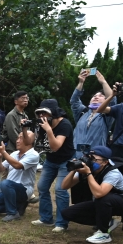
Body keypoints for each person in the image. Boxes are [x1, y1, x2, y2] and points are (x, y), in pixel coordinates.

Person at [60, 146, 123, 244]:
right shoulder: (87, 169)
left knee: (103, 198)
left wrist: (88, 174)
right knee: (67, 213)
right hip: (103, 203)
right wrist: (74, 169)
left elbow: (99, 194)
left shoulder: (112, 172)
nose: (91, 161)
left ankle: (104, 233)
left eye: (94, 159)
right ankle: (108, 222)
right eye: (89, 157)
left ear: (105, 162)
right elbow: (64, 186)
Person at [31, 99, 75, 232]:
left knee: (60, 190)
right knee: (42, 186)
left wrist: (49, 131)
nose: (41, 116)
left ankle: (62, 223)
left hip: (66, 161)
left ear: (53, 113)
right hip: (51, 160)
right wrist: (25, 128)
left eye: (44, 113)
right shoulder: (43, 124)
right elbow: (32, 143)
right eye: (39, 113)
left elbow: (56, 146)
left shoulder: (64, 124)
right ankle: (46, 218)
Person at [0, 125, 39, 221]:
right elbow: (0, 169)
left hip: (24, 190)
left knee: (5, 183)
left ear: (29, 141)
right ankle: (19, 206)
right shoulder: (14, 154)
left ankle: (12, 213)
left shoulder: (34, 155)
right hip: (9, 189)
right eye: (18, 138)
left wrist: (4, 152)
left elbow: (18, 165)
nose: (17, 141)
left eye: (21, 138)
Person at [71, 69, 115, 158]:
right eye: (94, 96)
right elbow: (74, 101)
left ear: (106, 100)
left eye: (101, 96)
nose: (96, 97)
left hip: (96, 157)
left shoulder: (107, 116)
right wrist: (81, 82)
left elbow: (113, 100)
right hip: (76, 155)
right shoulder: (82, 112)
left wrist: (103, 82)